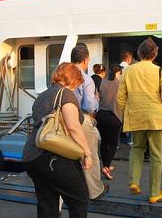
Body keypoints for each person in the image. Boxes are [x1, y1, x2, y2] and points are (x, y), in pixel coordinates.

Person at [22, 62, 92, 218]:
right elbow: (73, 127)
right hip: (54, 155)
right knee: (79, 200)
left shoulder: (43, 95)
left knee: (48, 205)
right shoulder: (66, 94)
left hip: (32, 155)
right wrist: (87, 154)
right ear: (73, 80)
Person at [117, 37, 162, 204]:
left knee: (137, 148)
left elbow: (121, 97)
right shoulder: (160, 71)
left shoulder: (128, 71)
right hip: (156, 116)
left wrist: (127, 112)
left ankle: (134, 181)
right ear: (155, 54)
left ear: (138, 54)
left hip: (136, 116)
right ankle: (154, 193)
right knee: (156, 154)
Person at [71, 45, 109, 199]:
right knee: (89, 154)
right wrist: (96, 100)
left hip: (62, 120)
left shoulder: (62, 76)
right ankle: (94, 190)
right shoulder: (86, 79)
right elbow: (88, 105)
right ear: (86, 60)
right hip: (81, 120)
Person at [96, 64, 123, 180]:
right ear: (118, 73)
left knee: (104, 142)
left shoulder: (101, 82)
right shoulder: (120, 84)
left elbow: (97, 97)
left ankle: (105, 164)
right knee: (112, 144)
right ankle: (106, 167)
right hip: (114, 116)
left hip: (101, 115)